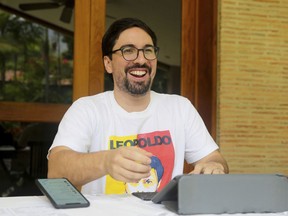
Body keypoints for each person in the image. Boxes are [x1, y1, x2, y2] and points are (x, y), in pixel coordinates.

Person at [48, 17, 229, 195]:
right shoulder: (87, 109)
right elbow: (56, 171)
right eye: (129, 50)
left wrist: (215, 166)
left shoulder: (180, 108)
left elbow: (214, 158)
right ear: (108, 63)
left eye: (148, 51)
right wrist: (106, 161)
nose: (141, 60)